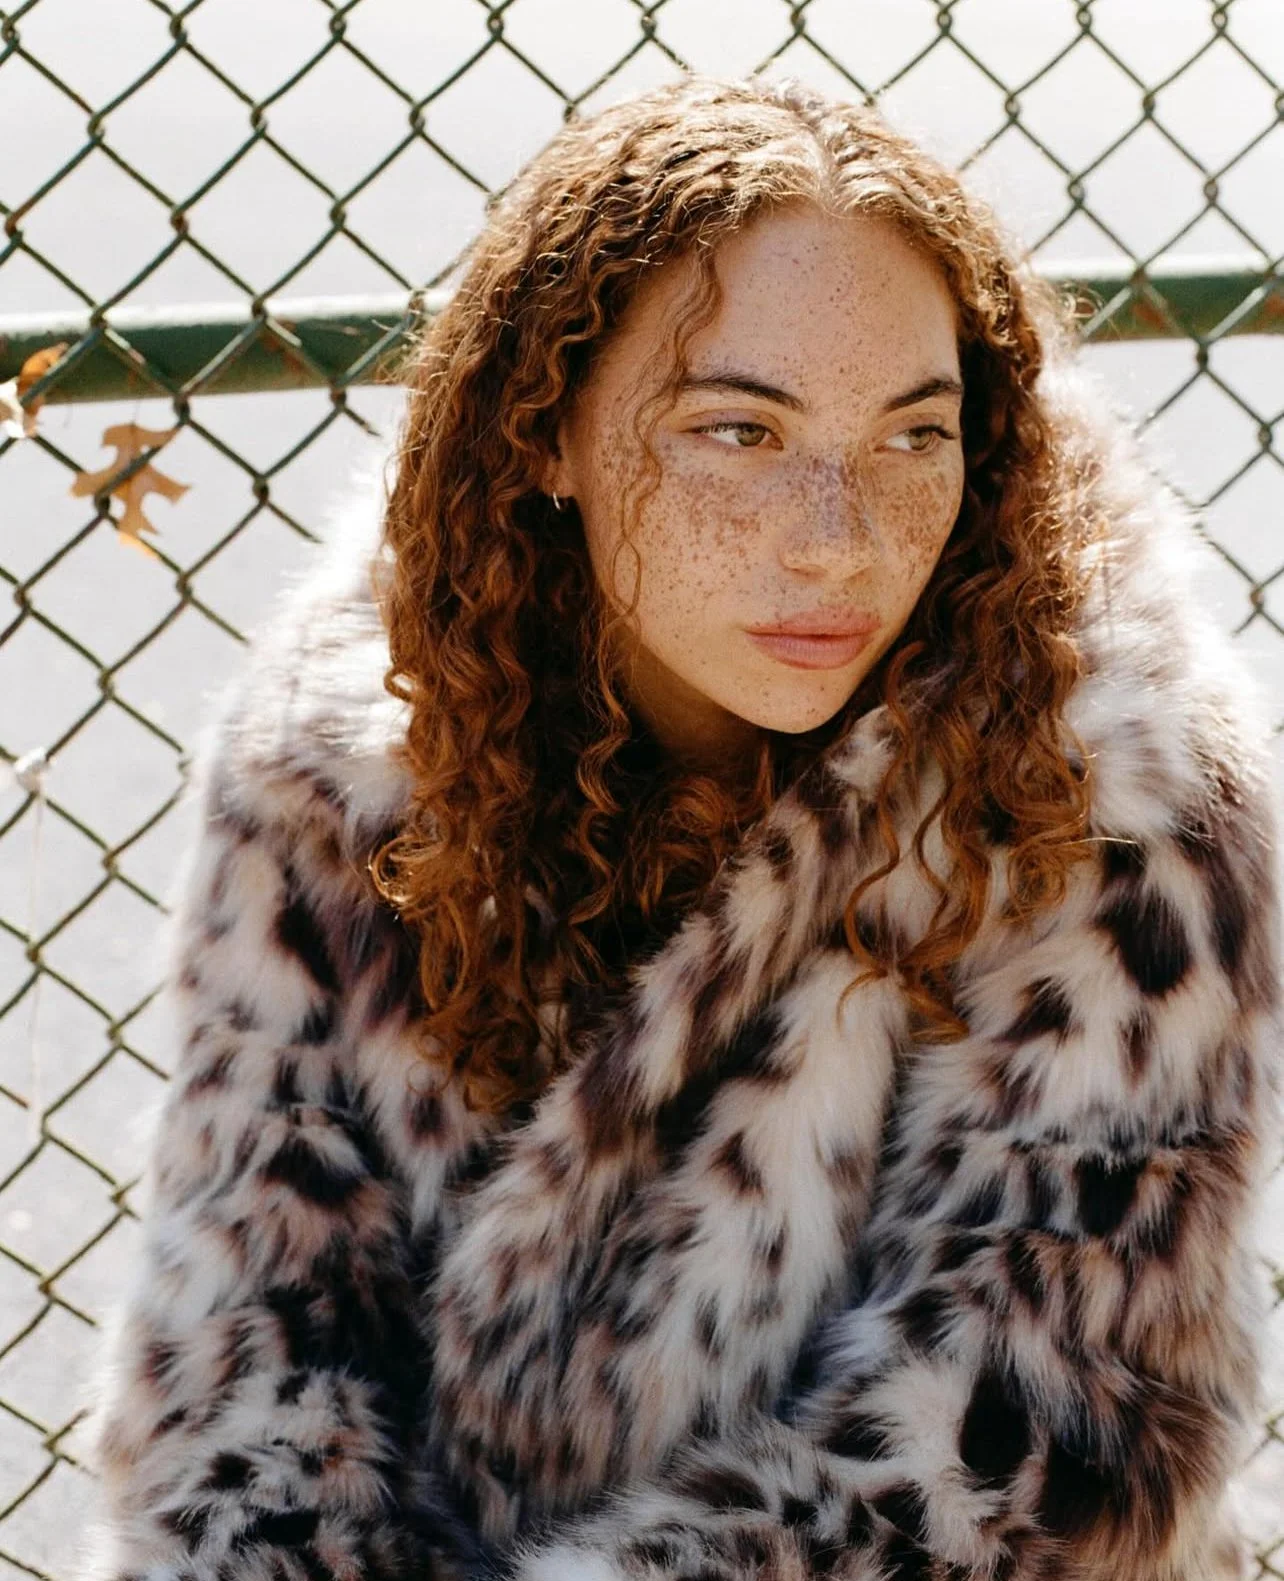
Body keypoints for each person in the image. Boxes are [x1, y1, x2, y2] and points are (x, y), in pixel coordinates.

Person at [80, 74, 1280, 1581]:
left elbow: (1039, 1456)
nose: (839, 539)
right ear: (549, 437)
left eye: (916, 436)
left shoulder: (1116, 801)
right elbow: (248, 1350)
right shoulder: (343, 765)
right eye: (737, 430)